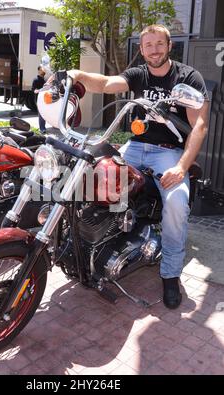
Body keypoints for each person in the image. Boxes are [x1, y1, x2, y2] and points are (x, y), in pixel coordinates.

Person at [66, 24, 209, 309]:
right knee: (89, 172)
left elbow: (200, 125)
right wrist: (78, 75)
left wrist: (182, 167)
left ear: (169, 46)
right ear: (141, 49)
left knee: (177, 204)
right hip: (134, 145)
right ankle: (85, 243)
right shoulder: (138, 74)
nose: (153, 49)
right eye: (148, 45)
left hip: (167, 152)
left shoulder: (187, 77)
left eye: (159, 44)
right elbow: (107, 83)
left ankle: (170, 273)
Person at [32, 65, 47, 133]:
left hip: (45, 99)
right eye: (42, 69)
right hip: (38, 99)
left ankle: (43, 127)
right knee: (41, 113)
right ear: (39, 71)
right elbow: (33, 90)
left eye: (44, 69)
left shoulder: (45, 80)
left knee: (44, 113)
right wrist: (37, 90)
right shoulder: (35, 80)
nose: (43, 70)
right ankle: (42, 129)